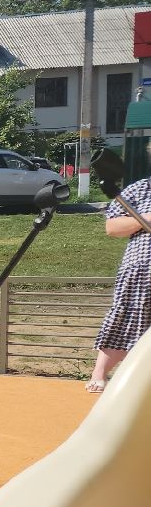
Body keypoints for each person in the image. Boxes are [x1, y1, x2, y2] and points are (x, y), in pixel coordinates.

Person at [88, 162, 151, 393]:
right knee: (126, 317)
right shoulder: (139, 190)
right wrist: (145, 219)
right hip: (141, 271)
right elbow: (112, 227)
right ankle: (100, 373)